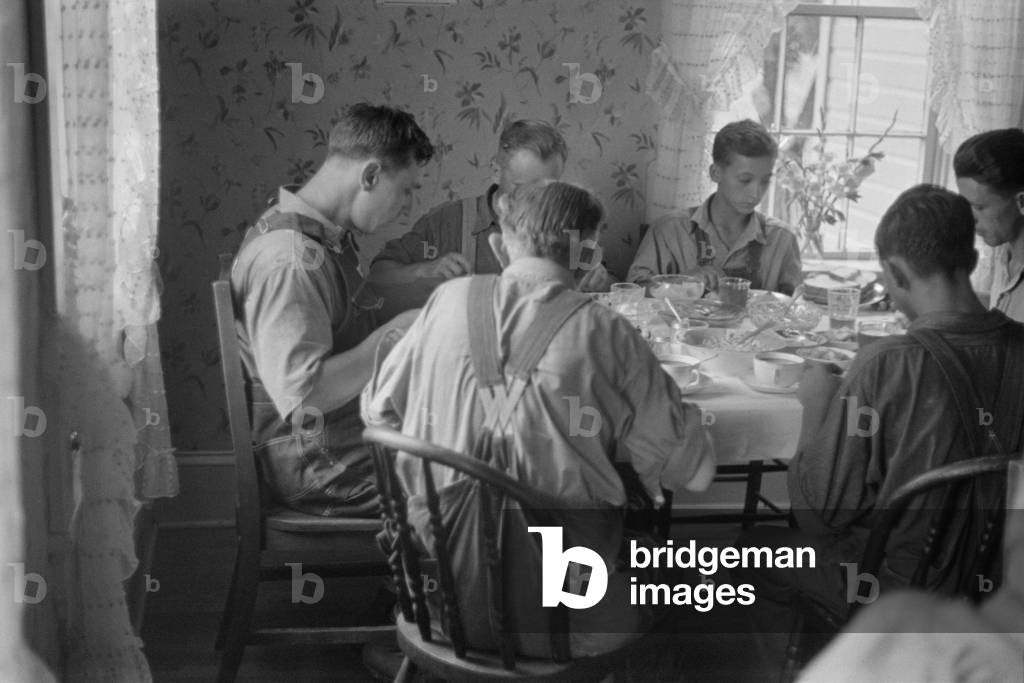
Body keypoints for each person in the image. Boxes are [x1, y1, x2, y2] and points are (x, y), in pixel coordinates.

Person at [362, 180, 715, 656]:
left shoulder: (445, 301)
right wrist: (683, 418)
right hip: (567, 618)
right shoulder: (606, 328)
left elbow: (378, 411)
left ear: (497, 245)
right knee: (677, 579)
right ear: (587, 252)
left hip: (443, 596)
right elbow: (692, 476)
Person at [732, 184, 1024, 678]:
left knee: (753, 552)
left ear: (894, 273)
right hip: (999, 590)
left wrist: (816, 407)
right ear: (972, 260)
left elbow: (817, 515)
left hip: (889, 588)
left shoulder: (887, 365)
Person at [230, 103, 433, 516]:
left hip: (338, 438)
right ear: (371, 175)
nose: (408, 205)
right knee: (495, 475)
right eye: (408, 189)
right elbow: (304, 394)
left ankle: (410, 582)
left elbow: (345, 320)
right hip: (319, 464)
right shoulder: (289, 259)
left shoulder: (319, 235)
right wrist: (392, 337)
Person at [368, 119, 614, 319]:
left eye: (547, 188)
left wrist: (599, 280)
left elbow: (609, 288)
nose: (534, 199)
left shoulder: (568, 226)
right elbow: (378, 276)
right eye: (522, 186)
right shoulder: (448, 220)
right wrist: (424, 269)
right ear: (496, 171)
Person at [627, 119, 802, 295]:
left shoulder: (782, 240)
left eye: (764, 181)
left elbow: (796, 307)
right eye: (745, 180)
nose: (755, 193)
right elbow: (630, 294)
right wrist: (680, 283)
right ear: (715, 173)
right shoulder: (669, 231)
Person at [954, 128, 1024, 322]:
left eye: (979, 207)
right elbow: (1003, 310)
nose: (970, 217)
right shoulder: (1007, 255)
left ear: (1021, 202)